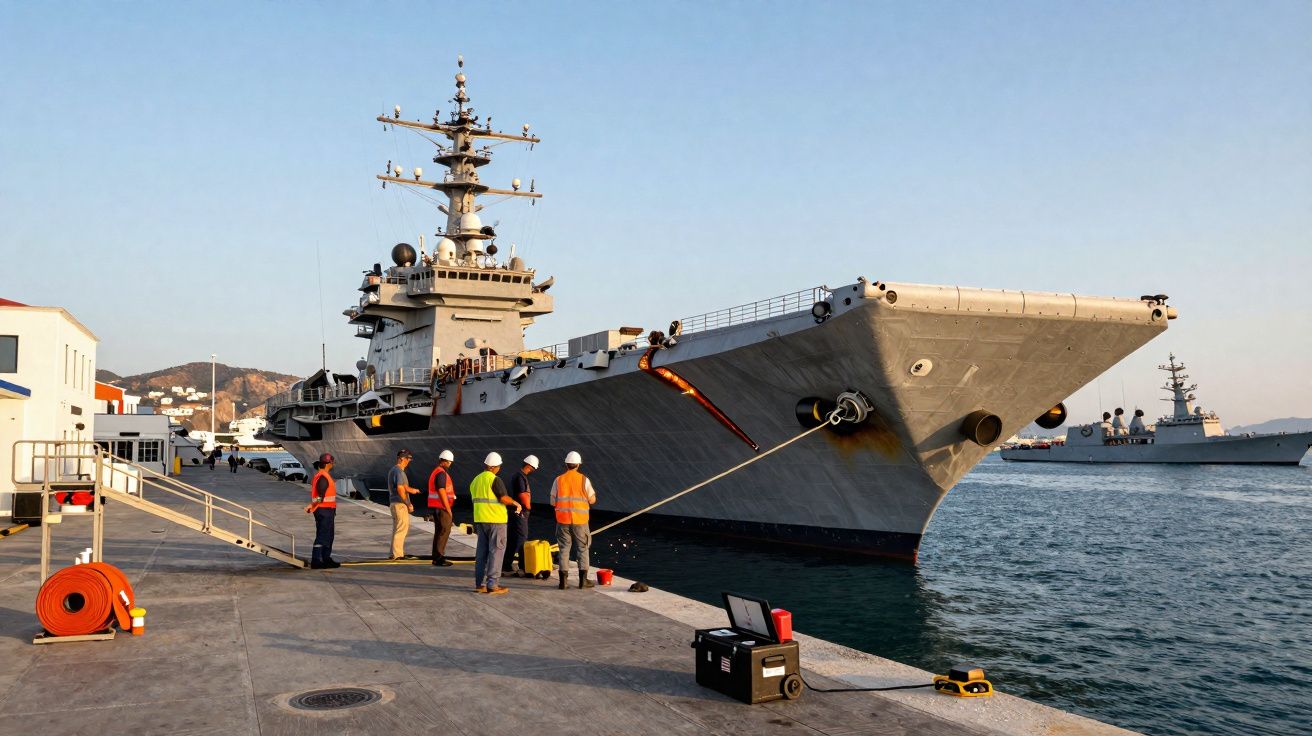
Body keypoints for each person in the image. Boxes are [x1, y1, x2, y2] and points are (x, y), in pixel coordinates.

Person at [470, 452, 521, 595]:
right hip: (496, 521)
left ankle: (479, 584)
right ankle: (492, 584)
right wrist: (515, 502)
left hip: (481, 520)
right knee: (496, 552)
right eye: (498, 466)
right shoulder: (495, 479)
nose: (499, 469)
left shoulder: (475, 480)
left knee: (481, 554)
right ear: (494, 467)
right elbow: (503, 498)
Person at [551, 450, 597, 590]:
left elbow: (553, 502)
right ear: (578, 465)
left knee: (564, 549)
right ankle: (583, 582)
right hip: (580, 521)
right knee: (582, 549)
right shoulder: (584, 480)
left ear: (566, 464)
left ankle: (563, 582)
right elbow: (592, 499)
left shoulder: (558, 480)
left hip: (563, 520)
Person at [503, 455, 537, 577]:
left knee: (512, 539)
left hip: (513, 512)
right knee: (522, 538)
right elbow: (523, 495)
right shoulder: (521, 478)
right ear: (529, 466)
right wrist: (528, 507)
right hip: (520, 513)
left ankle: (506, 564)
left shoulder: (516, 476)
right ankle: (524, 566)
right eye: (533, 468)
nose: (533, 471)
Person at [305, 453, 339, 569]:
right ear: (329, 463)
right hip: (324, 511)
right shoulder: (323, 477)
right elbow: (320, 496)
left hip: (326, 510)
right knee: (322, 535)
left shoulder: (322, 475)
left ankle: (326, 558)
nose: (333, 464)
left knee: (328, 535)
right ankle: (316, 560)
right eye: (332, 462)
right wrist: (312, 505)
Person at [427, 449, 456, 567]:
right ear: (444, 462)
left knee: (439, 531)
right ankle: (439, 558)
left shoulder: (436, 472)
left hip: (437, 507)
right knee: (444, 531)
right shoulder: (441, 473)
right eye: (449, 462)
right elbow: (441, 490)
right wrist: (448, 508)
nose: (450, 464)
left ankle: (436, 556)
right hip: (442, 508)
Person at [387, 449, 418, 560]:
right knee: (401, 529)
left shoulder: (393, 470)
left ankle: (393, 553)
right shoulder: (399, 471)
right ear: (401, 459)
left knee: (397, 529)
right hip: (400, 504)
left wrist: (412, 490)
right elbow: (400, 489)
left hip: (394, 503)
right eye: (407, 459)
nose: (408, 461)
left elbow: (403, 487)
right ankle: (398, 555)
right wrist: (408, 503)